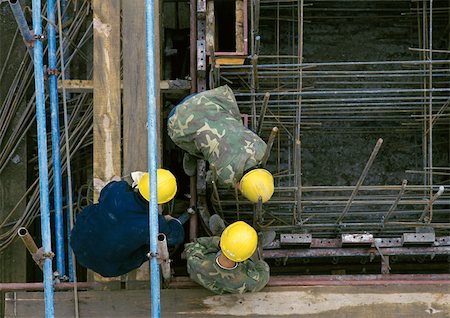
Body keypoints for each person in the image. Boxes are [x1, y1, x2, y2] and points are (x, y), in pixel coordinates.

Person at [70, 169, 190, 277]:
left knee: (99, 209)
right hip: (108, 267)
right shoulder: (153, 224)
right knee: (150, 246)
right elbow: (176, 236)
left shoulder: (116, 190)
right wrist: (170, 220)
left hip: (78, 241)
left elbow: (110, 189)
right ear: (164, 201)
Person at [167, 85, 274, 203]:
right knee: (209, 153)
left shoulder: (262, 148)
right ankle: (191, 154)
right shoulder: (226, 177)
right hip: (177, 120)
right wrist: (232, 182)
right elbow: (209, 178)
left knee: (231, 132)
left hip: (206, 99)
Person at [184, 215, 273, 294]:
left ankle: (221, 233)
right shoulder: (250, 280)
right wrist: (256, 253)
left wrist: (218, 241)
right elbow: (264, 272)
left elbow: (194, 245)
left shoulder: (195, 261)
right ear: (245, 257)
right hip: (238, 259)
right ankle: (258, 242)